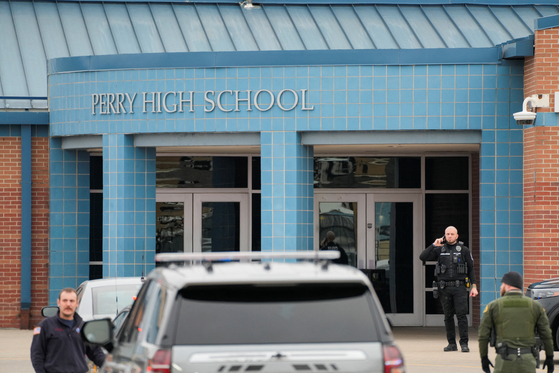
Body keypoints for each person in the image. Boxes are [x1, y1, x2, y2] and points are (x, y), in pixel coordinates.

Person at [478, 271, 554, 373]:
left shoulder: (494, 306)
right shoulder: (535, 306)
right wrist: (549, 357)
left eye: (502, 284)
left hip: (504, 361)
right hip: (527, 361)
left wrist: (484, 358)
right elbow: (546, 334)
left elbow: (483, 335)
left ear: (508, 285)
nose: (501, 287)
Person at [419, 226, 478, 352]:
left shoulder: (464, 250)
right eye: (447, 234)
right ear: (444, 235)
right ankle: (451, 343)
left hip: (459, 287)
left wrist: (474, 286)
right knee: (448, 316)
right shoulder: (440, 249)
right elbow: (422, 257)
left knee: (461, 315)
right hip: (444, 288)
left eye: (452, 234)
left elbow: (471, 268)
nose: (450, 236)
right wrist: (433, 245)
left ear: (457, 236)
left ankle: (464, 344)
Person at [30, 288, 106, 373]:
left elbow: (96, 353)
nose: (68, 304)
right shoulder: (45, 326)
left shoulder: (84, 327)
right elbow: (37, 355)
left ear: (77, 303)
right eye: (65, 300)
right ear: (59, 302)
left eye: (72, 301)